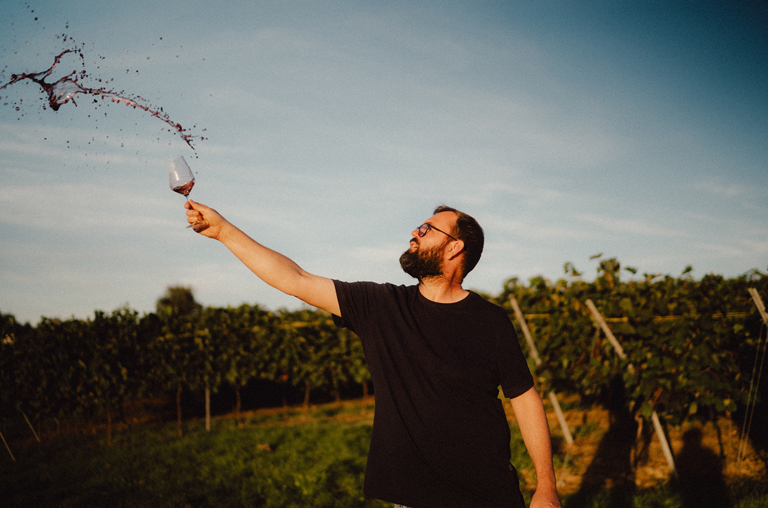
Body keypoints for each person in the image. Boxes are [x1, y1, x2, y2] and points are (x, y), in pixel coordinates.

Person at [184, 200, 562, 508]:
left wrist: (546, 486)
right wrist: (223, 231)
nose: (415, 232)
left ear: (454, 247)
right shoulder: (381, 305)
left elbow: (523, 397)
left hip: (489, 497)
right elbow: (294, 279)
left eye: (427, 228)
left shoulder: (491, 321)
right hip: (413, 500)